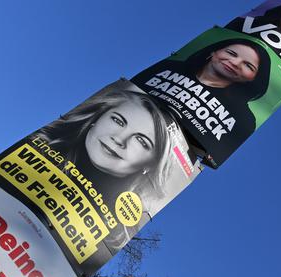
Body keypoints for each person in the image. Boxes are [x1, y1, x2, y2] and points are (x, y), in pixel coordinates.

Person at [33, 82, 177, 209]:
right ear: (97, 118)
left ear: (151, 165)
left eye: (141, 140)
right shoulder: (37, 146)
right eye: (118, 121)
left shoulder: (123, 225)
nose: (119, 139)